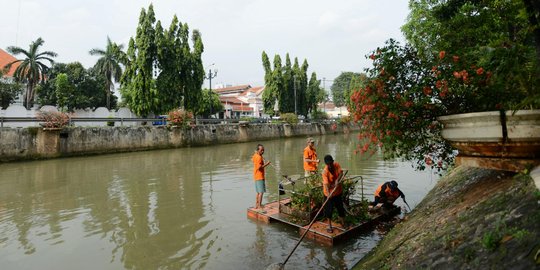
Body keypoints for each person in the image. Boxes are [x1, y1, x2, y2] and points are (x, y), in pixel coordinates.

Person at [321, 154, 346, 233]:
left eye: (331, 163)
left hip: (338, 191)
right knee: (329, 210)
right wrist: (329, 195)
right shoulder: (325, 172)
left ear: (333, 162)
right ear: (326, 164)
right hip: (329, 193)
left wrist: (337, 180)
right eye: (328, 164)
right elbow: (327, 185)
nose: (330, 165)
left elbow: (341, 173)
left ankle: (343, 222)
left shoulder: (336, 165)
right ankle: (329, 225)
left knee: (340, 208)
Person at [252, 144, 271, 213]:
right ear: (258, 150)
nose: (263, 151)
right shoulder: (259, 157)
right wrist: (267, 163)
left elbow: (254, 160)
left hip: (256, 176)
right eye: (261, 150)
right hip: (260, 176)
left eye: (263, 150)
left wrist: (259, 155)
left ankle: (256, 205)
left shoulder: (255, 155)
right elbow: (260, 167)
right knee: (261, 192)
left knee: (258, 192)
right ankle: (259, 206)